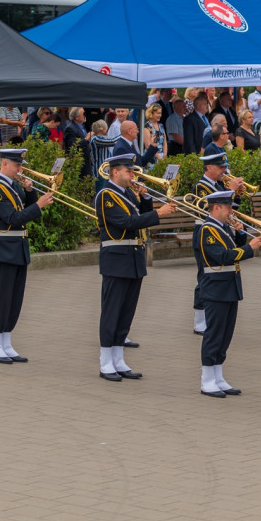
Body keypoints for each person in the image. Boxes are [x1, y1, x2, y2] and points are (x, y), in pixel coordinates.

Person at [95, 154, 175, 381]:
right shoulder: (106, 195)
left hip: (133, 258)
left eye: (133, 172)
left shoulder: (128, 193)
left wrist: (146, 198)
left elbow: (139, 214)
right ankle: (105, 361)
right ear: (115, 173)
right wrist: (158, 213)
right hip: (116, 257)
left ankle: (118, 359)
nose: (133, 176)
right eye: (129, 172)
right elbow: (127, 222)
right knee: (112, 312)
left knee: (126, 312)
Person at [0, 148, 56, 362]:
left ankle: (6, 341)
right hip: (4, 247)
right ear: (4, 164)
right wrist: (38, 204)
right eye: (17, 165)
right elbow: (13, 218)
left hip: (17, 247)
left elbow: (27, 212)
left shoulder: (13, 186)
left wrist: (31, 192)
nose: (20, 169)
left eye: (20, 165)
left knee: (15, 300)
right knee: (3, 299)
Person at [195, 190, 261, 397]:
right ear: (216, 208)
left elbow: (234, 249)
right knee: (214, 334)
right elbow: (222, 256)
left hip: (228, 287)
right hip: (215, 287)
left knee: (225, 335)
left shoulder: (222, 228)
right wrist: (250, 248)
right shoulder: (207, 230)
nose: (231, 212)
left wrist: (241, 234)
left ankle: (218, 375)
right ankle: (207, 379)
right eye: (228, 208)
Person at [191, 154, 244, 335]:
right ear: (209, 168)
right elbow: (208, 210)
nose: (224, 170)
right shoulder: (201, 186)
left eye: (224, 167)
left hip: (221, 229)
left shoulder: (218, 186)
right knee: (204, 274)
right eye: (220, 167)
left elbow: (230, 210)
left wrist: (236, 194)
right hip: (204, 230)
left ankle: (207, 316)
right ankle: (199, 319)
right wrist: (230, 189)